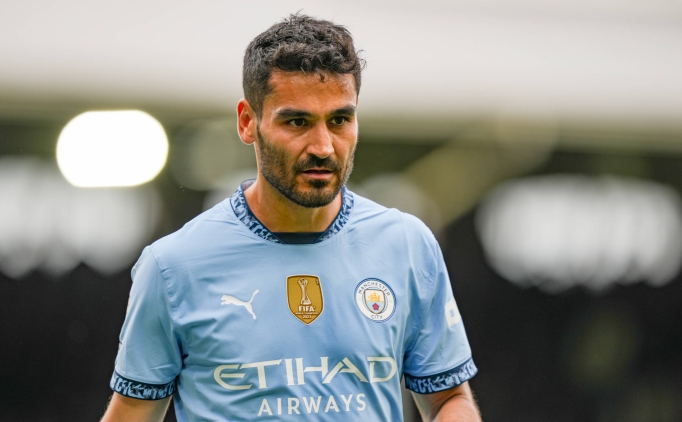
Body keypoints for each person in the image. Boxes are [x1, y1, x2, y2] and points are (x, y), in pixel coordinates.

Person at [101, 14, 480, 422]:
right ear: (248, 122)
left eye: (340, 120)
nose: (323, 146)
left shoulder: (407, 245)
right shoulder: (173, 267)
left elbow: (449, 399)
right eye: (297, 121)